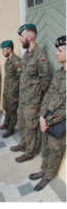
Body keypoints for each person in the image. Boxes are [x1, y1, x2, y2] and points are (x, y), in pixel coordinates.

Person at [29, 35, 65, 191]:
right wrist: (42, 115)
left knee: (55, 150)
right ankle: (43, 170)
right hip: (48, 118)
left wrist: (48, 120)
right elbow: (49, 94)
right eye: (57, 50)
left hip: (59, 121)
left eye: (60, 50)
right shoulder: (59, 73)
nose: (56, 53)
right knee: (45, 148)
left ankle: (48, 176)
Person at [11, 24, 51, 163]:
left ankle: (30, 152)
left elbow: (45, 79)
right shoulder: (27, 55)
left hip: (33, 100)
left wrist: (39, 96)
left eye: (22, 37)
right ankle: (23, 144)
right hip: (23, 97)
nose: (20, 39)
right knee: (22, 122)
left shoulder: (39, 55)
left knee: (31, 125)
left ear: (29, 37)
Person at [0, 40, 22, 138]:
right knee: (6, 108)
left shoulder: (17, 61)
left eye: (3, 50)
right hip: (7, 90)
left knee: (12, 110)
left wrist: (17, 90)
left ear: (9, 49)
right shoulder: (8, 61)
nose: (2, 52)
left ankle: (11, 128)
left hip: (13, 91)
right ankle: (6, 123)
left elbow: (21, 77)